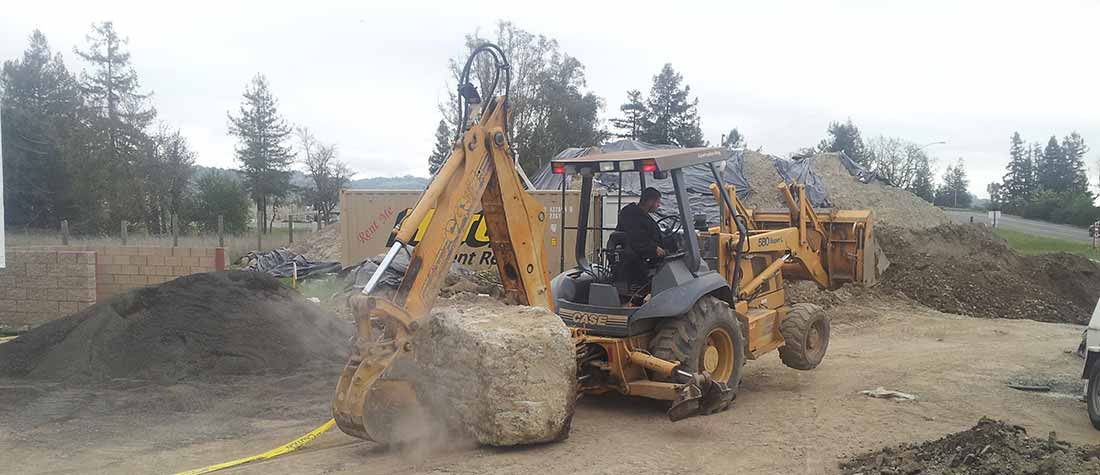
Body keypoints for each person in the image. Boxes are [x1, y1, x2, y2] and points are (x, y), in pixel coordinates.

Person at [617, 187, 667, 263]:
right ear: (650, 201)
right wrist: (655, 248)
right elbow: (637, 238)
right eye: (657, 202)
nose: (659, 205)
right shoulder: (631, 215)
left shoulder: (642, 215)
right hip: (637, 260)